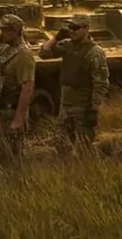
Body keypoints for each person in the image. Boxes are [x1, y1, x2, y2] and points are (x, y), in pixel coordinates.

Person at [40, 17, 110, 151]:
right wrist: (56, 38)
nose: (72, 31)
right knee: (60, 144)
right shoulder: (67, 46)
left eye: (76, 28)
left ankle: (85, 170)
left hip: (83, 107)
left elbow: (100, 83)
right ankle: (68, 169)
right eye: (70, 27)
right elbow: (43, 53)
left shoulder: (95, 52)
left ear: (86, 29)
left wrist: (94, 109)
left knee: (83, 146)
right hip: (66, 106)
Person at [0, 14, 36, 170]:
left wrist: (18, 119)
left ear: (16, 31)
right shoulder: (5, 49)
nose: (2, 33)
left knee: (14, 155)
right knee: (5, 155)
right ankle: (9, 182)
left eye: (5, 30)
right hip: (2, 110)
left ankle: (17, 184)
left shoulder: (24, 55)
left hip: (12, 110)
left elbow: (27, 88)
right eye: (1, 30)